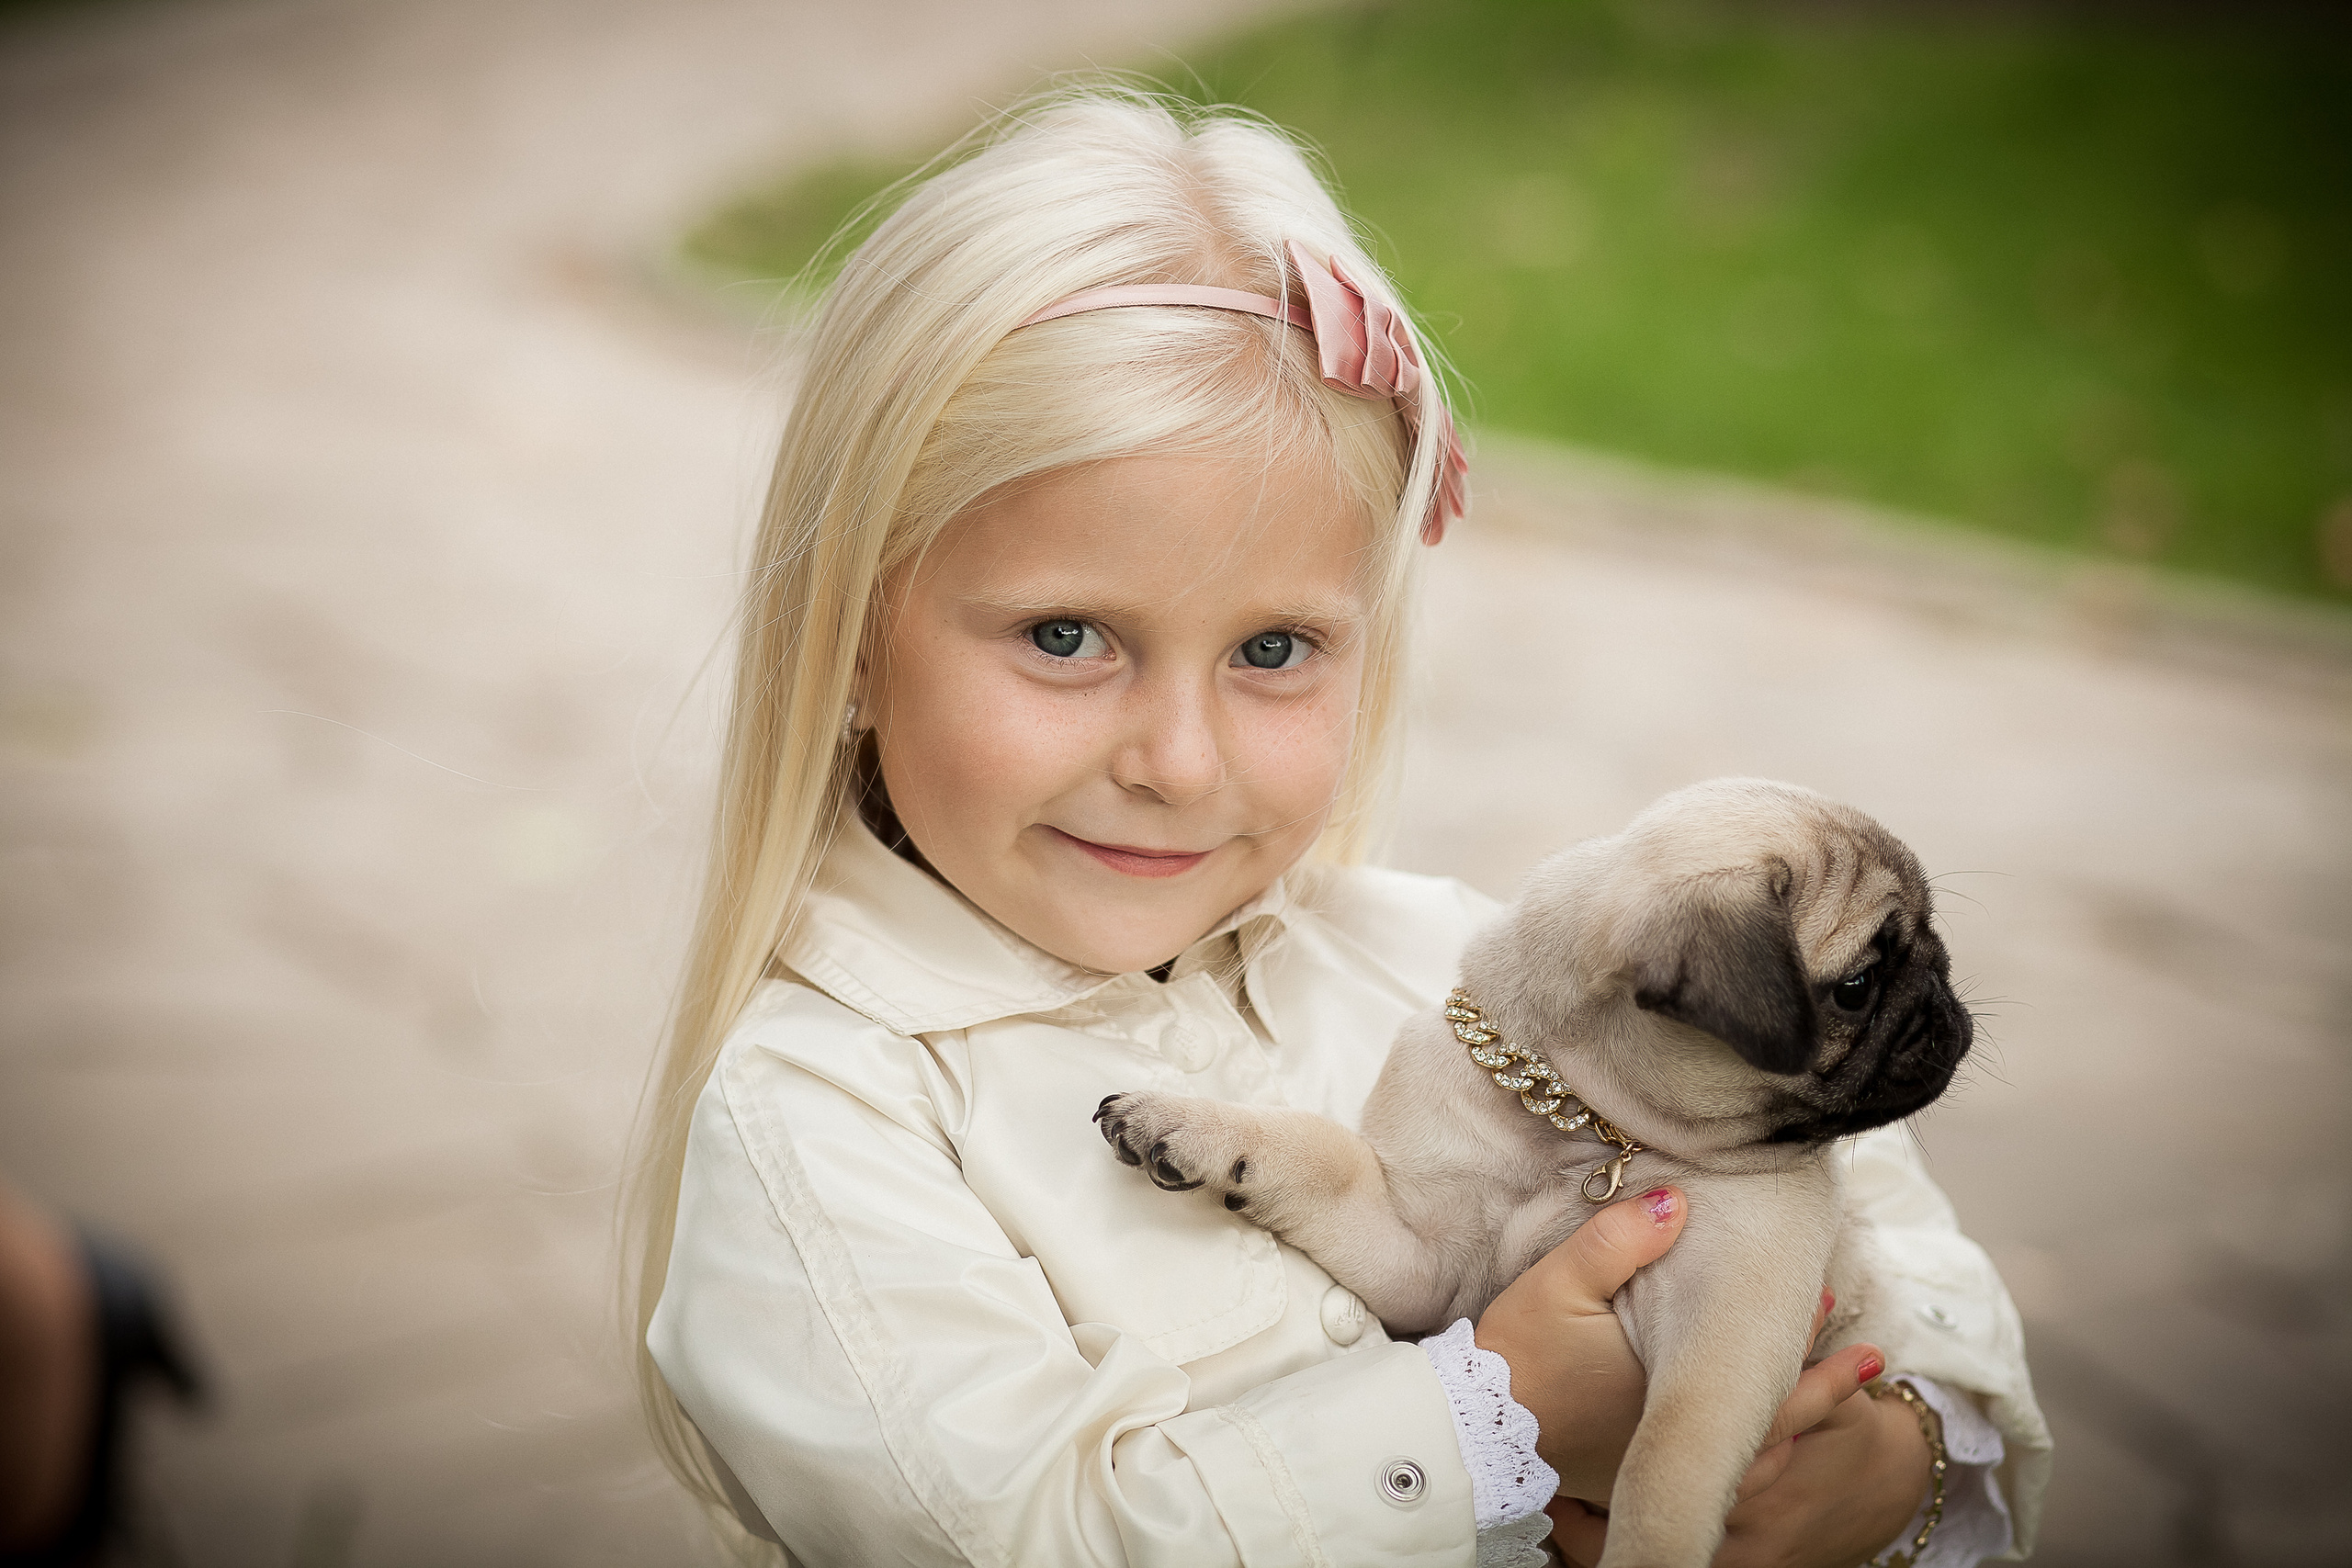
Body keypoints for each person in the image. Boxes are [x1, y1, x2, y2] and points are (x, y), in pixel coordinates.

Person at [623, 90, 2051, 1568]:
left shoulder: (1450, 958)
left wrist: (1900, 1457)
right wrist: (1490, 1413)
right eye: (1065, 635)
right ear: (851, 638)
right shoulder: (827, 1127)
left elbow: (1872, 1210)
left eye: (1272, 651)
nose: (1179, 762)